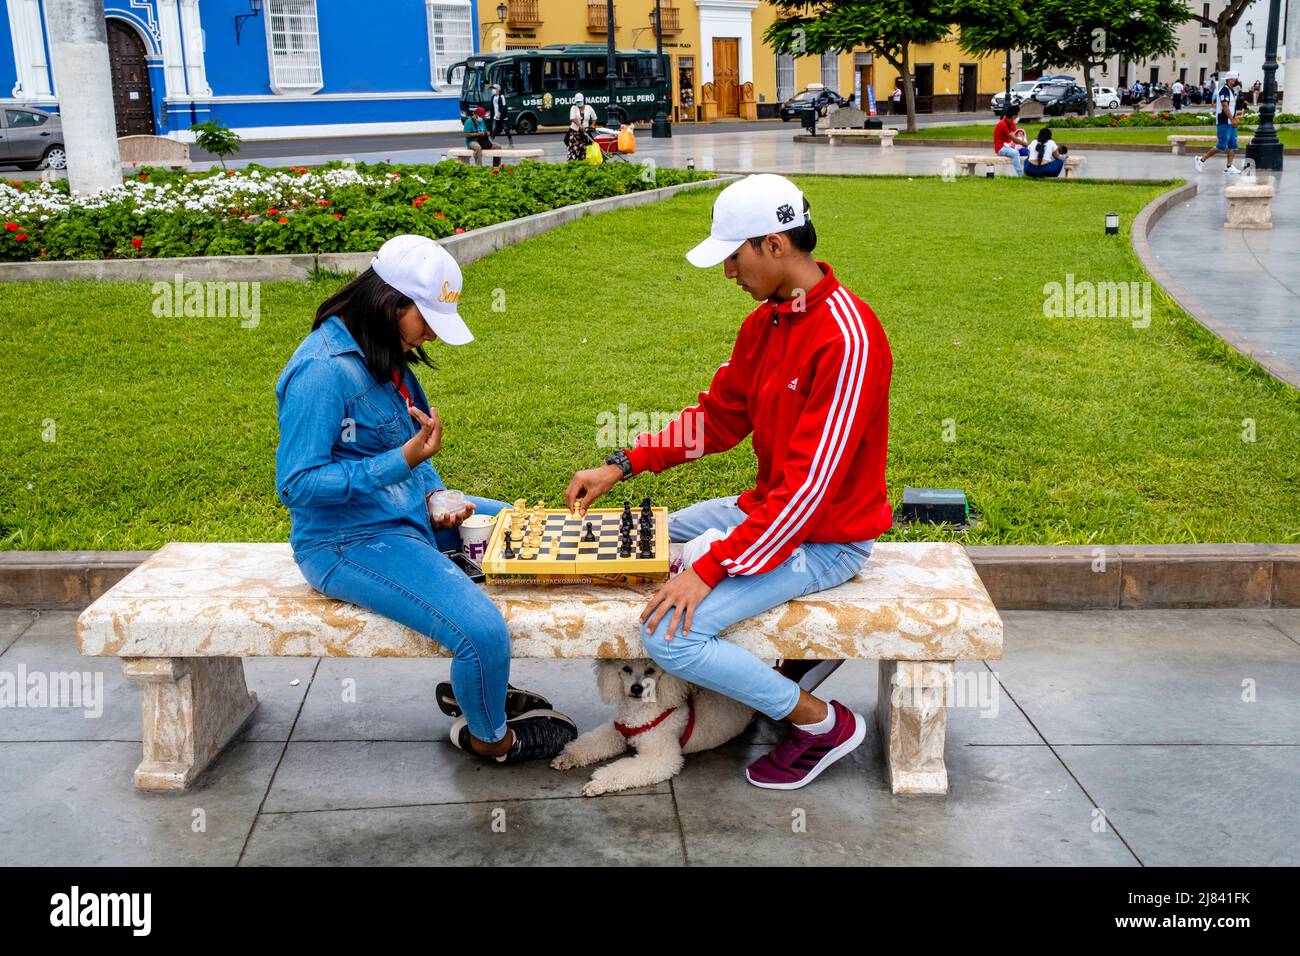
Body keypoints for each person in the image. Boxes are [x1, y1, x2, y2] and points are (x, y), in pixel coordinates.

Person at [564, 174, 894, 790]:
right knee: (654, 536)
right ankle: (780, 669)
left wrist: (710, 569)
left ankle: (822, 723)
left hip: (823, 538)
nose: (727, 273)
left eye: (733, 256)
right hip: (773, 514)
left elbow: (806, 492)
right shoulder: (768, 323)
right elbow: (719, 418)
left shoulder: (849, 338)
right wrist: (623, 463)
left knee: (669, 638)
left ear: (773, 245)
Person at [275, 235, 577, 765]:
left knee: (508, 524)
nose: (432, 334)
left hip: (407, 513)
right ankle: (491, 738)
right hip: (347, 542)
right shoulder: (321, 371)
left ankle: (474, 690)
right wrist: (404, 465)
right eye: (428, 319)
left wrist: (436, 492)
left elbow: (408, 439)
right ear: (393, 304)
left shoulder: (387, 355)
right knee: (482, 633)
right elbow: (297, 486)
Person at [1196, 71, 1244, 175]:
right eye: (1235, 79)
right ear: (1230, 80)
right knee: (1221, 145)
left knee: (1233, 145)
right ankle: (1201, 159)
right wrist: (1232, 119)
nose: (1236, 81)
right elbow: (1225, 106)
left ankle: (1229, 167)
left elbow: (1232, 107)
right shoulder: (1224, 90)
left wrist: (1236, 118)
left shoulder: (1231, 91)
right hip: (1224, 122)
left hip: (1231, 122)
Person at [993, 103, 1026, 175]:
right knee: (1015, 153)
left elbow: (1017, 137)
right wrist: (1025, 144)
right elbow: (1015, 139)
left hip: (1010, 146)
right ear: (1013, 115)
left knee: (1028, 152)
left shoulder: (1011, 123)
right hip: (1001, 148)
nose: (1018, 116)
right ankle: (1020, 174)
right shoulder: (1003, 124)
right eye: (1017, 115)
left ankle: (1030, 172)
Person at [565, 92, 598, 161]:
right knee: (574, 150)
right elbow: (572, 118)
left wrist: (592, 124)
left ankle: (583, 162)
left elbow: (594, 118)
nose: (578, 103)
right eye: (577, 102)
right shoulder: (573, 108)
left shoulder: (589, 108)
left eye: (580, 101)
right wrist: (580, 125)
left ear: (583, 100)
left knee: (584, 149)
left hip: (585, 133)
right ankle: (573, 163)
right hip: (575, 133)